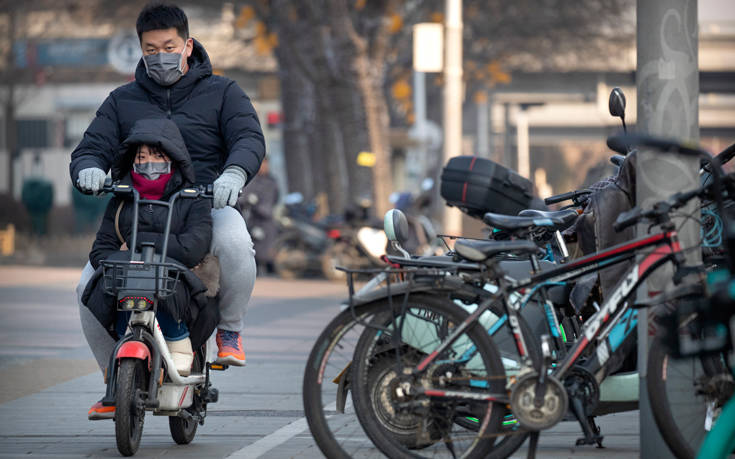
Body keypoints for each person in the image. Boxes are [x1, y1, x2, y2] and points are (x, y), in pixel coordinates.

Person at [70, 3, 263, 417]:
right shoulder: (122, 101)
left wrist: (234, 173)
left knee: (235, 241)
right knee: (86, 288)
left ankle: (230, 330)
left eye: (169, 46)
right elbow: (92, 147)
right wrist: (87, 168)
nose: (160, 55)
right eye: (150, 48)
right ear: (141, 50)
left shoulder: (225, 93)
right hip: (137, 210)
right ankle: (113, 381)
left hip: (204, 207)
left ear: (187, 45)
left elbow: (248, 137)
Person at [83, 118, 219, 419]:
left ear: (173, 158)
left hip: (175, 284)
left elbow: (193, 247)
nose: (148, 163)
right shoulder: (121, 200)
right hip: (128, 286)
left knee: (167, 282)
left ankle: (178, 339)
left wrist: (136, 243)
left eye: (157, 156)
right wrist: (154, 247)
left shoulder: (191, 198)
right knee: (100, 289)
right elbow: (101, 251)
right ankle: (115, 379)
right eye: (141, 157)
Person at [238, 157, 279, 274]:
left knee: (270, 245)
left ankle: (268, 269)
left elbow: (276, 197)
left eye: (266, 164)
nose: (264, 167)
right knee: (255, 245)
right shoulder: (251, 180)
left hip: (268, 218)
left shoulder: (272, 181)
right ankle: (256, 270)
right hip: (254, 219)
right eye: (262, 164)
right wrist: (249, 200)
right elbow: (241, 198)